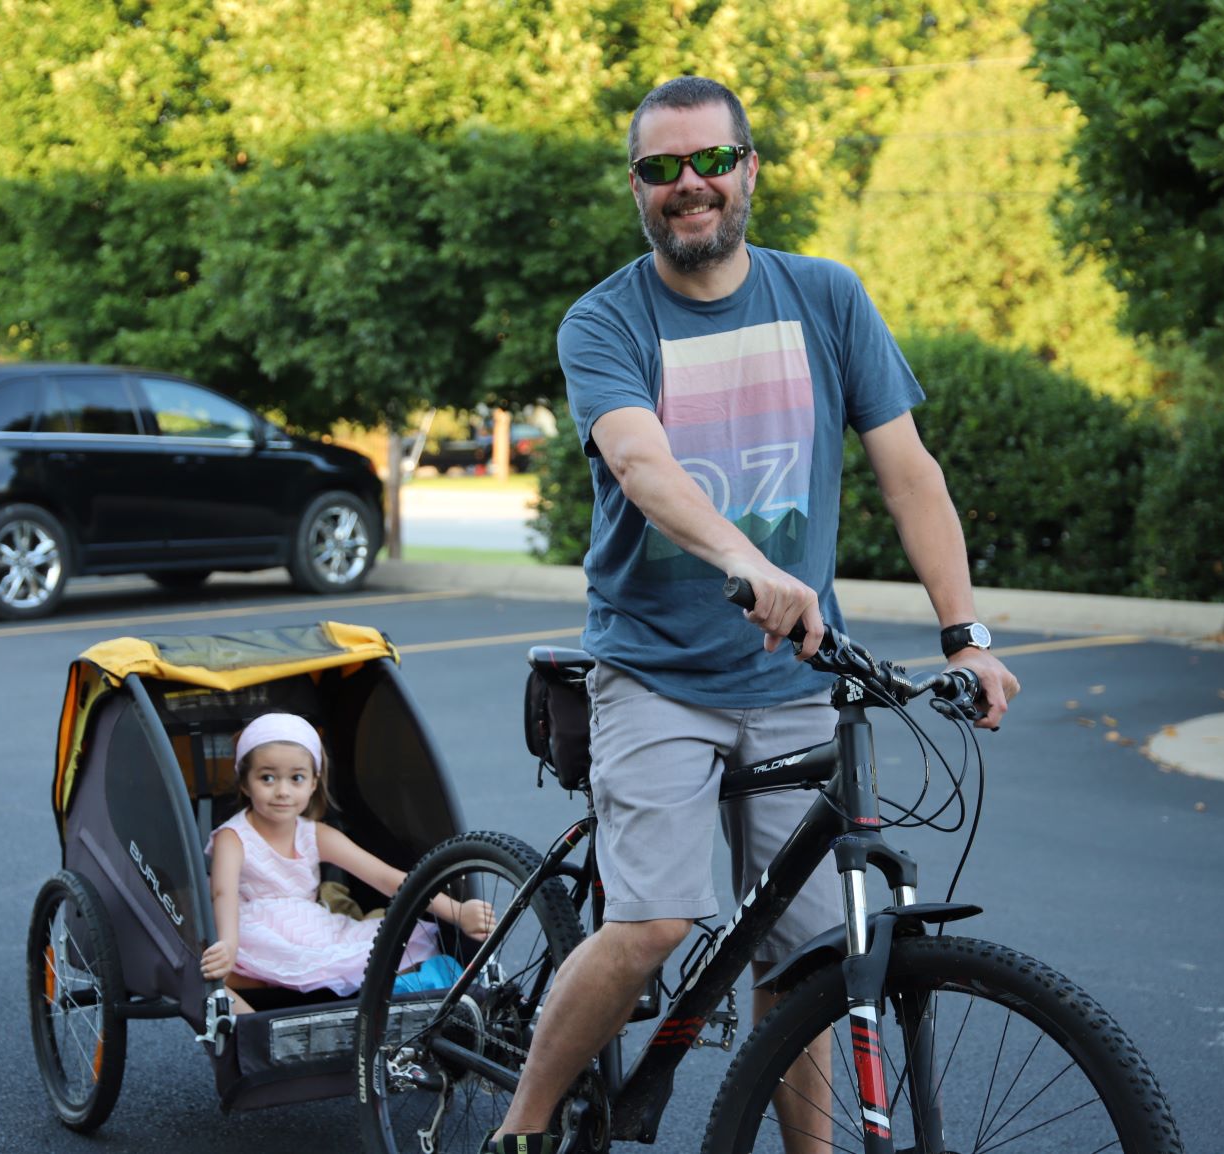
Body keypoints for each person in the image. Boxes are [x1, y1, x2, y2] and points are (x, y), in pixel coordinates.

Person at [482, 77, 1022, 1154]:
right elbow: (640, 460)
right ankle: (522, 1123)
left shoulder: (823, 296)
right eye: (660, 169)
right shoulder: (605, 319)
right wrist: (744, 559)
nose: (689, 187)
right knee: (653, 922)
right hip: (655, 675)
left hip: (793, 685)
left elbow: (909, 474)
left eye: (710, 162)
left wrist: (966, 634)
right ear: (637, 187)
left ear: (749, 168)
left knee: (811, 952)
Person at [200, 712, 495, 1012]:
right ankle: (251, 1036)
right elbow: (222, 893)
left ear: (314, 783)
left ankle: (396, 1009)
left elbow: (384, 877)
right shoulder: (233, 837)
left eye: (296, 778)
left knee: (402, 940)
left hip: (309, 926)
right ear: (245, 784)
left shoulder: (314, 834)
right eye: (267, 778)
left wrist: (457, 912)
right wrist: (229, 943)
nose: (283, 791)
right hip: (250, 929)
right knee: (213, 973)